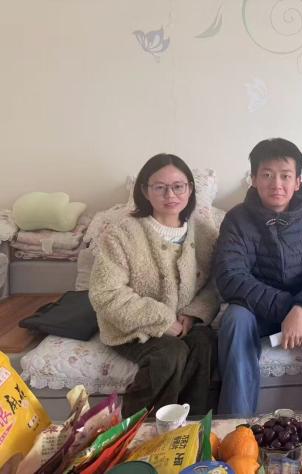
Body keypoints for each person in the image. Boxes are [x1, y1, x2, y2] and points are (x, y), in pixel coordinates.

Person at [214, 138, 302, 416]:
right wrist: (291, 311)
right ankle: (236, 424)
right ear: (254, 179)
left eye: (285, 176)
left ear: (298, 181)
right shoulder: (236, 219)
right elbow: (231, 276)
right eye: (267, 175)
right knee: (234, 319)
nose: (276, 184)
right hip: (256, 311)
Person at [89, 153, 220, 417]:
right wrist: (162, 320)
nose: (170, 195)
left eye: (178, 186)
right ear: (145, 191)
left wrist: (193, 315)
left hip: (184, 323)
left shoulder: (205, 233)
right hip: (133, 327)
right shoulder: (122, 234)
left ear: (190, 189)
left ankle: (192, 424)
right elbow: (106, 292)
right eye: (160, 187)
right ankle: (140, 428)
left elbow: (214, 284)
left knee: (205, 343)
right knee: (170, 354)